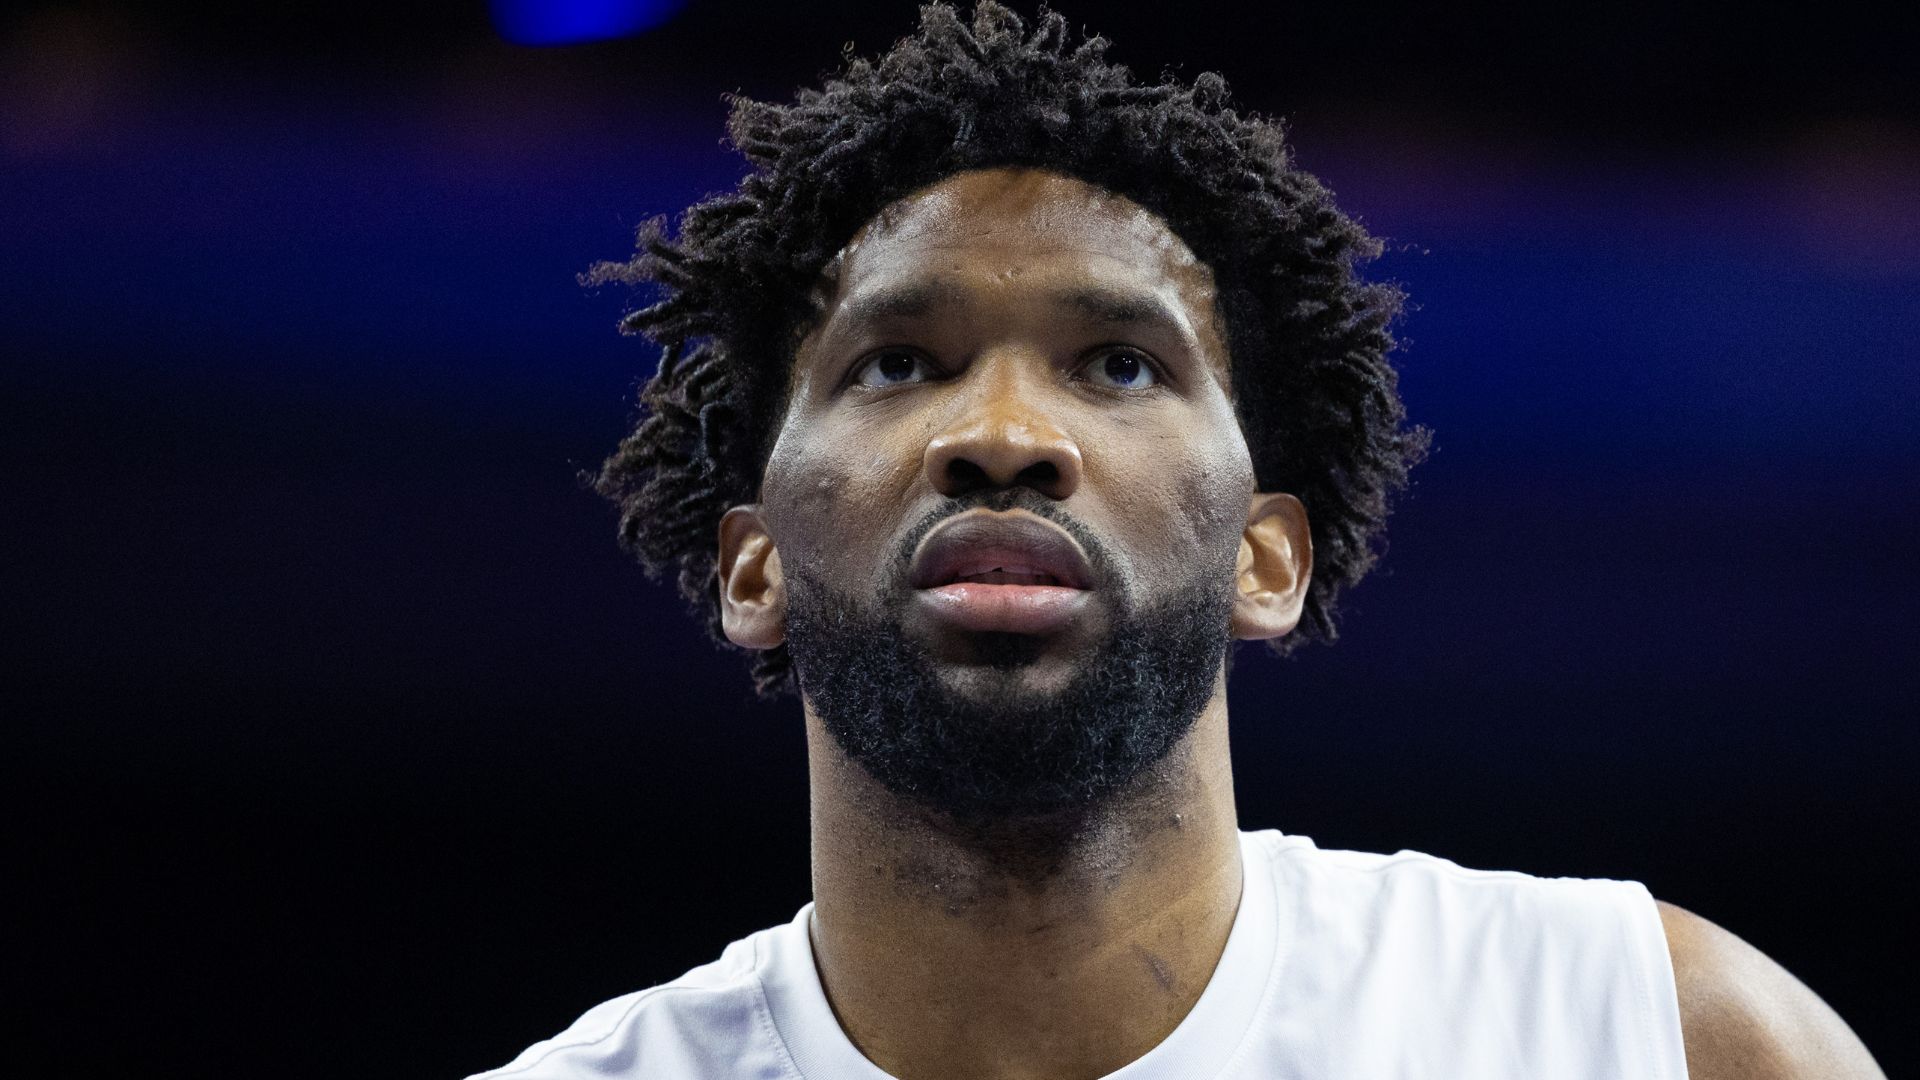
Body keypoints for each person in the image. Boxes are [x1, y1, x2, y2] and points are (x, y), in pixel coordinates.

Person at [471, 4, 1884, 1077]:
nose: (1004, 434)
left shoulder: (1648, 1035)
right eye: (897, 363)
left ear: (1268, 558)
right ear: (755, 564)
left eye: (1120, 365)